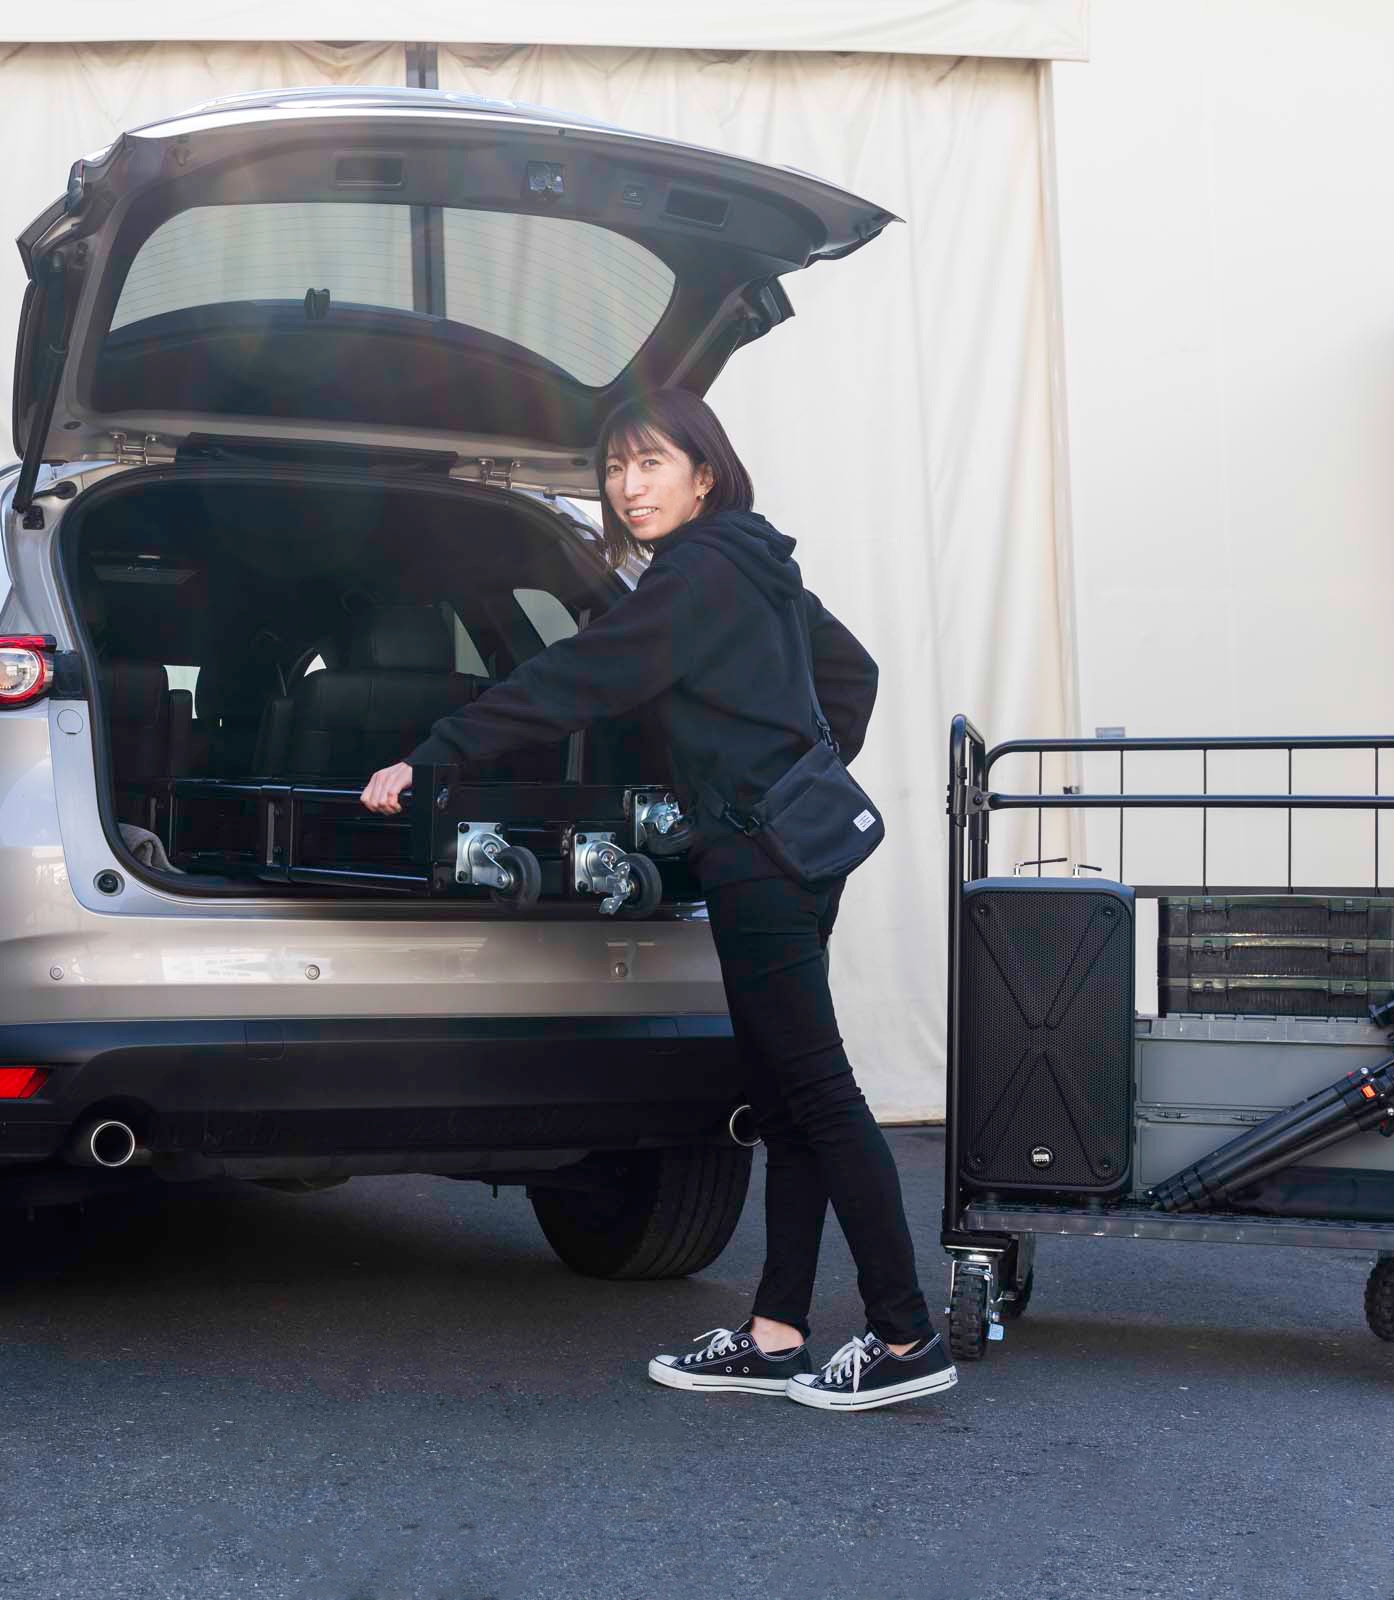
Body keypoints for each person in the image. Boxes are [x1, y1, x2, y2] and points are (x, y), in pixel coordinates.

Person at [359, 390, 955, 1413]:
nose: (627, 487)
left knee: (815, 1092)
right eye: (614, 468)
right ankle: (775, 1332)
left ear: (702, 473)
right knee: (783, 1098)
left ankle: (902, 1333)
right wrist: (801, 766)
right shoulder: (755, 563)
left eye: (650, 464)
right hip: (789, 845)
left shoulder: (694, 577)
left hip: (761, 855)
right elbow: (847, 673)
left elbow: (575, 677)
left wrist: (432, 753)